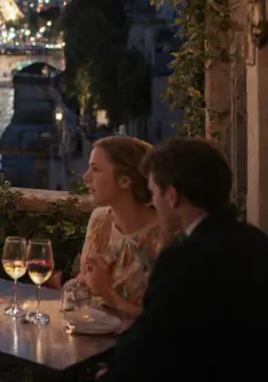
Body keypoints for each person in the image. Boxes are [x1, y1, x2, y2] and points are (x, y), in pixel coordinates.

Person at [100, 137, 268, 381]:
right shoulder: (258, 241)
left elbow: (148, 344)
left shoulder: (182, 259)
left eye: (154, 193)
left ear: (172, 196)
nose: (153, 202)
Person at [69, 136, 167, 316]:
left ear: (124, 181)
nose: (86, 177)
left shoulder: (163, 236)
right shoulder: (100, 220)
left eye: (96, 169)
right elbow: (84, 287)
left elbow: (163, 320)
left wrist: (106, 293)